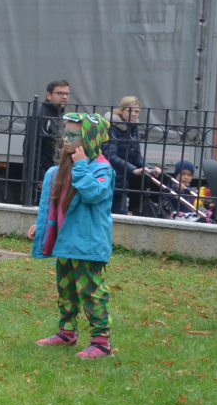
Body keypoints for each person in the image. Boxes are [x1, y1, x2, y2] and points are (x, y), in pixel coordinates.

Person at [27, 113, 115, 358]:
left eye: (74, 135)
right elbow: (57, 204)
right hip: (66, 242)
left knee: (92, 292)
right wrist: (41, 225)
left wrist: (82, 166)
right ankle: (67, 332)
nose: (66, 139)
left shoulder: (102, 168)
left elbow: (93, 194)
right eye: (66, 133)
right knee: (65, 289)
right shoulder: (63, 169)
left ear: (90, 138)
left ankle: (101, 342)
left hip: (88, 245)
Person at [21, 79, 72, 202]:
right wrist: (39, 177)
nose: (64, 97)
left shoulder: (60, 115)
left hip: (57, 174)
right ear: (48, 95)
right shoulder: (40, 116)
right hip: (44, 177)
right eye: (60, 93)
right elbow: (31, 148)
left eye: (67, 94)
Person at [101, 97, 150, 216]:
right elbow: (110, 156)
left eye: (136, 111)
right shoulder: (112, 127)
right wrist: (133, 169)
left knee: (121, 218)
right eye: (130, 111)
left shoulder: (133, 128)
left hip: (122, 183)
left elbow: (137, 156)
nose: (133, 114)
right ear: (121, 110)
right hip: (108, 180)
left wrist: (149, 168)